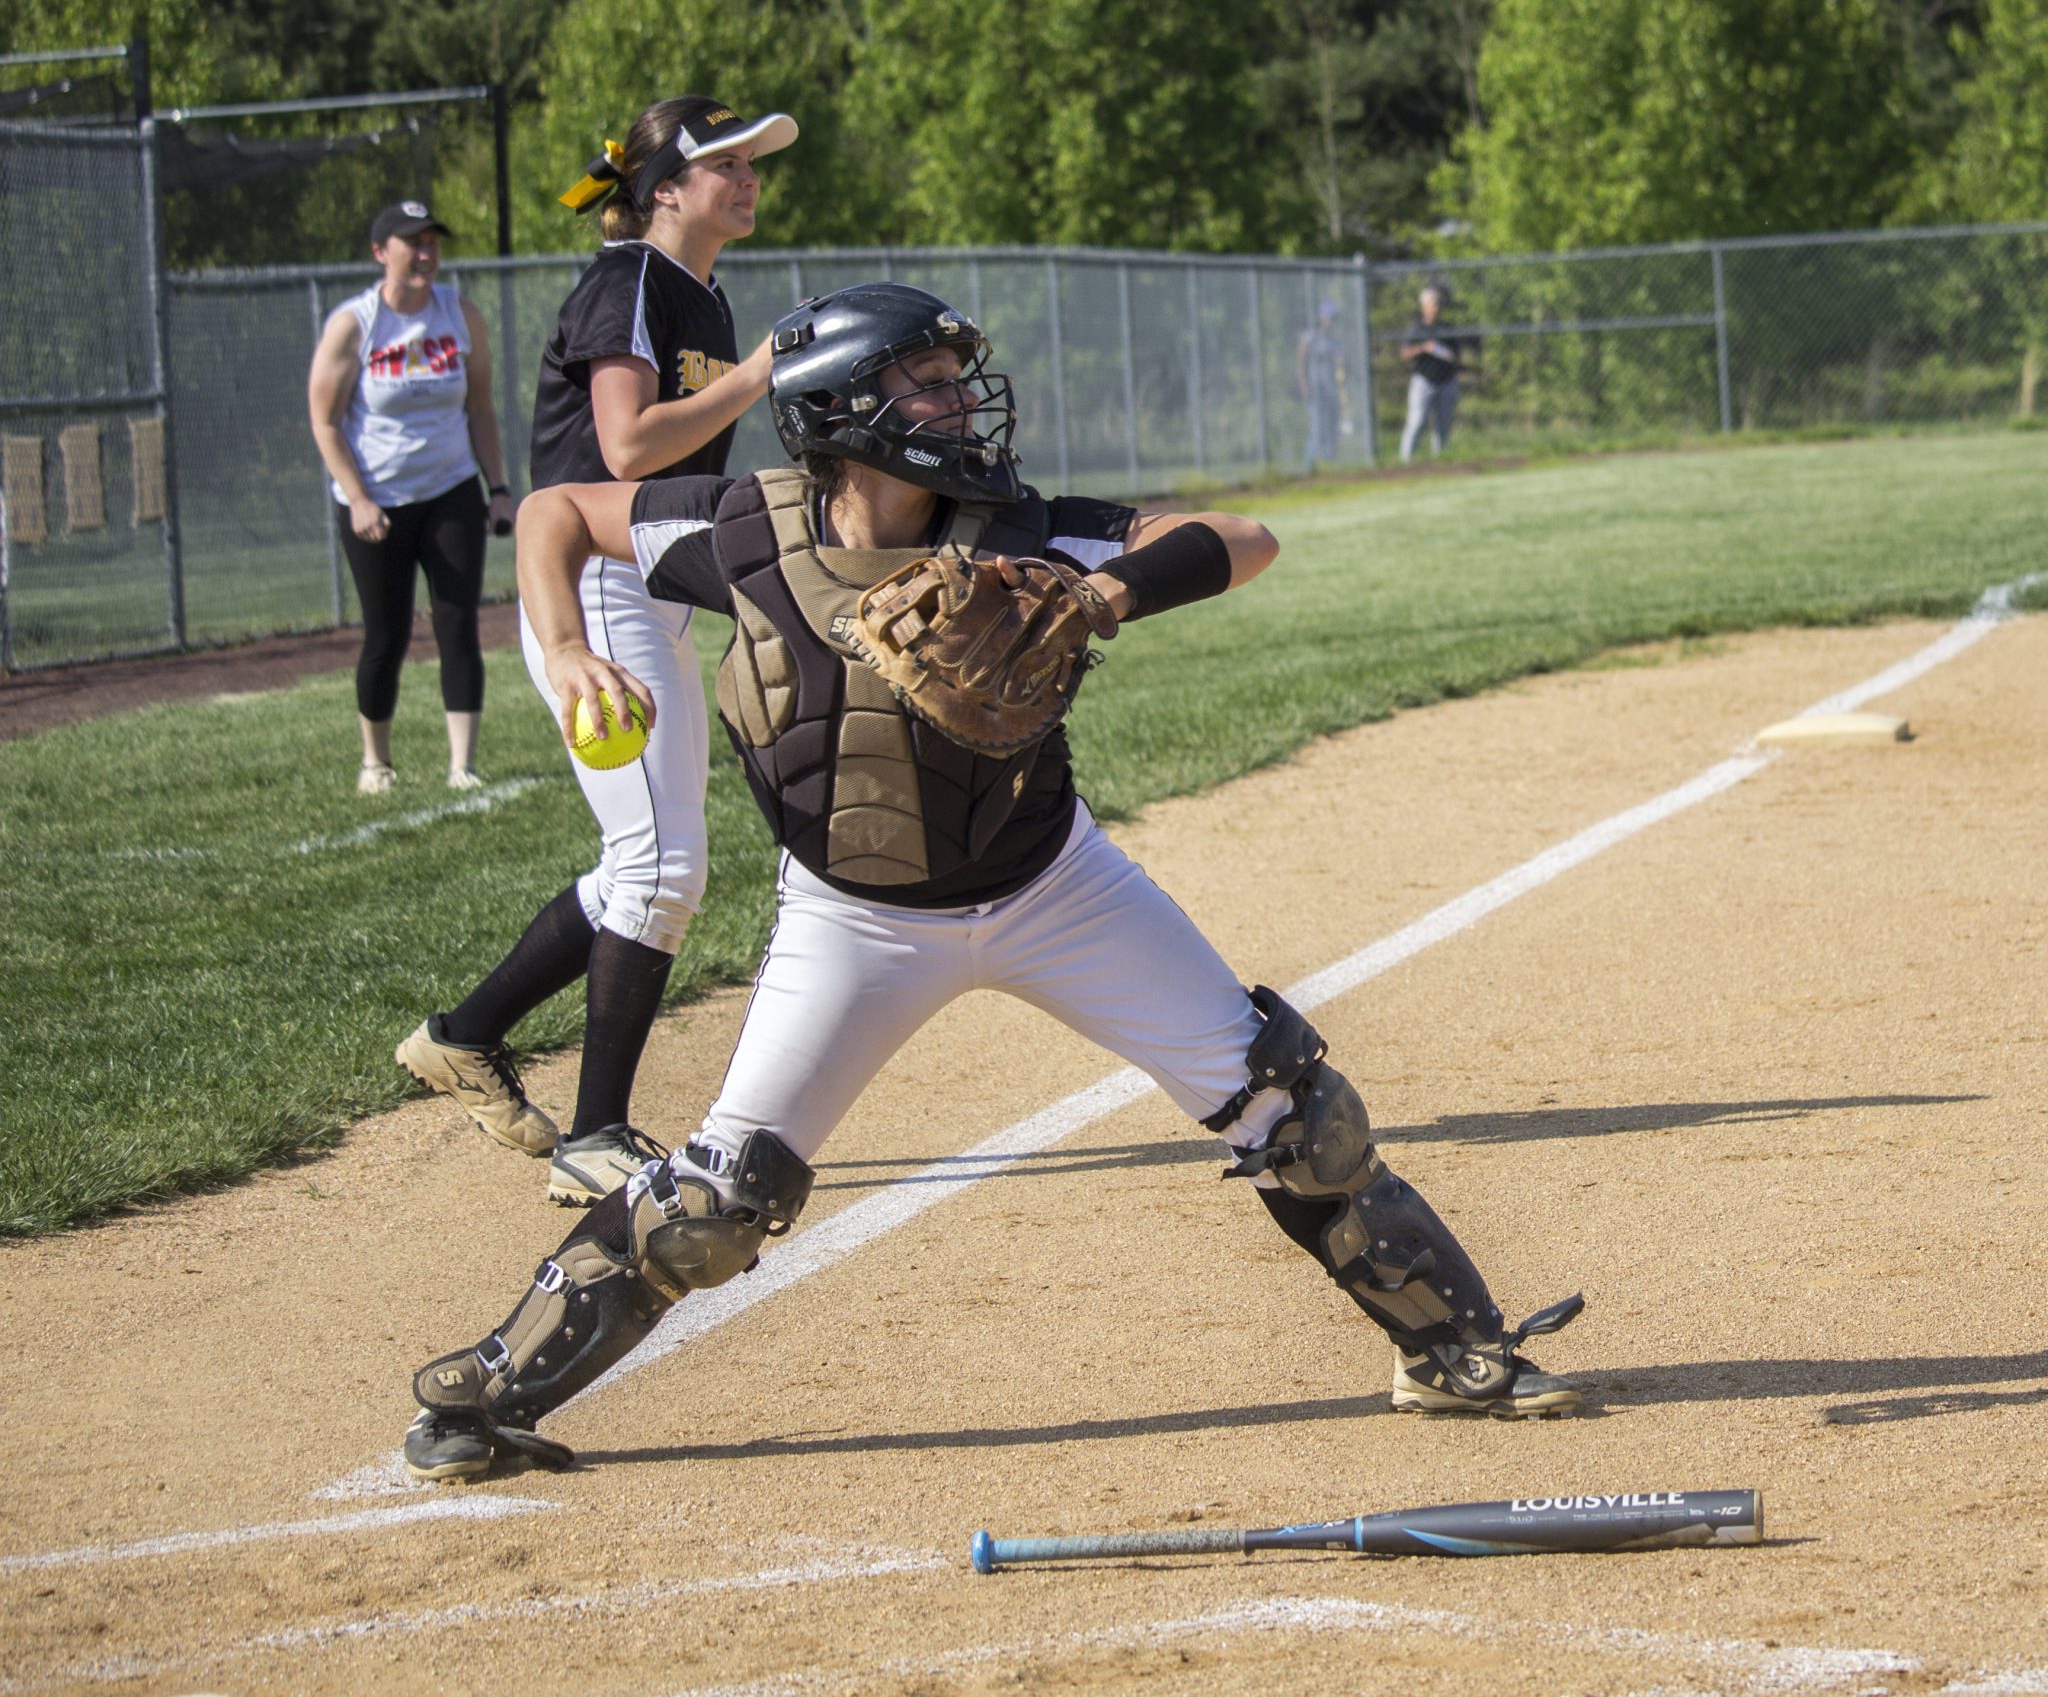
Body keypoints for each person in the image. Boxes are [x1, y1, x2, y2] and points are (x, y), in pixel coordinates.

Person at [398, 282, 1585, 1484]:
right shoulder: (738, 530)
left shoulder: (1019, 528)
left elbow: (1244, 537)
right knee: (711, 1203)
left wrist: (1107, 587)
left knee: (1299, 1122)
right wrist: (559, 647)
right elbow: (552, 512)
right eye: (925, 380)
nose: (959, 401)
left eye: (954, 378)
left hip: (1054, 891)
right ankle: (486, 1396)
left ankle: (1449, 1348)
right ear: (843, 405)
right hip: (850, 920)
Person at [393, 96, 797, 1203]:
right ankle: (595, 1136)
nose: (747, 177)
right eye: (723, 162)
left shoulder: (696, 291)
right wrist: (758, 371)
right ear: (662, 187)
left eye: (751, 163)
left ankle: (463, 1035)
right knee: (664, 864)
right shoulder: (628, 280)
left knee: (643, 858)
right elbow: (622, 449)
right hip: (589, 585)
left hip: (644, 583)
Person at [308, 200, 515, 794]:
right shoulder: (356, 323)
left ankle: (463, 766)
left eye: (432, 243)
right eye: (411, 243)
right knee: (387, 633)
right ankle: (375, 760)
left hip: (451, 490)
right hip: (377, 500)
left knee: (457, 625)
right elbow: (324, 422)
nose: (425, 254)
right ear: (381, 252)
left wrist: (497, 489)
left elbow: (480, 408)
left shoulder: (459, 313)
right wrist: (358, 499)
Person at [1398, 281, 1462, 462]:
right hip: (1424, 381)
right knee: (1417, 421)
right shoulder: (1416, 329)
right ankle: (1405, 461)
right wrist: (1423, 347)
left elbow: (1456, 354)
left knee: (1443, 424)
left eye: (1439, 303)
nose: (1437, 307)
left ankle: (1440, 459)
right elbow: (1404, 354)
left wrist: (1448, 355)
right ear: (1423, 305)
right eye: (1434, 303)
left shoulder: (1447, 328)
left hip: (1446, 380)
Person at [1297, 298, 1349, 467]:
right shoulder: (1310, 338)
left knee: (1331, 430)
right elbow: (1301, 364)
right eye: (1328, 318)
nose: (1331, 322)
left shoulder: (1334, 342)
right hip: (1314, 391)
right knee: (1317, 430)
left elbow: (1340, 368)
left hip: (1331, 393)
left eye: (1333, 318)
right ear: (1321, 318)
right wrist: (1304, 387)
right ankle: (1308, 467)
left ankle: (1328, 466)